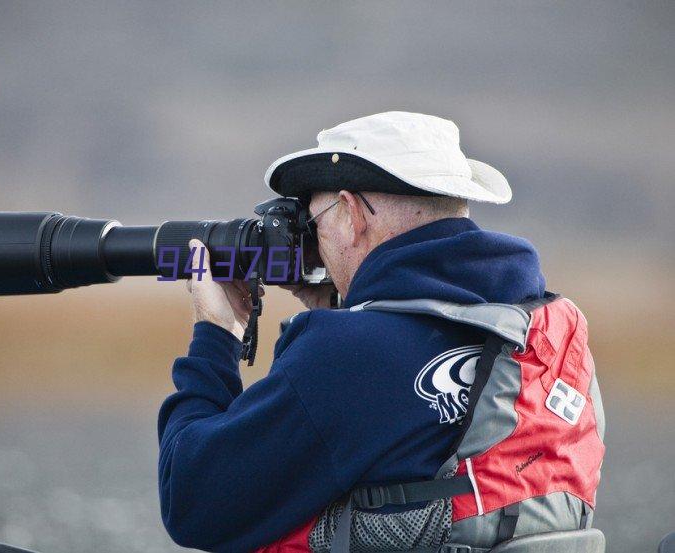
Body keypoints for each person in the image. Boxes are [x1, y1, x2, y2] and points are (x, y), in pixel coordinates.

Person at [157, 112, 601, 552]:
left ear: (352, 213)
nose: (316, 245)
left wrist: (216, 335)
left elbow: (193, 502)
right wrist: (351, 311)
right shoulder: (545, 324)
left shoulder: (350, 354)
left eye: (314, 224)